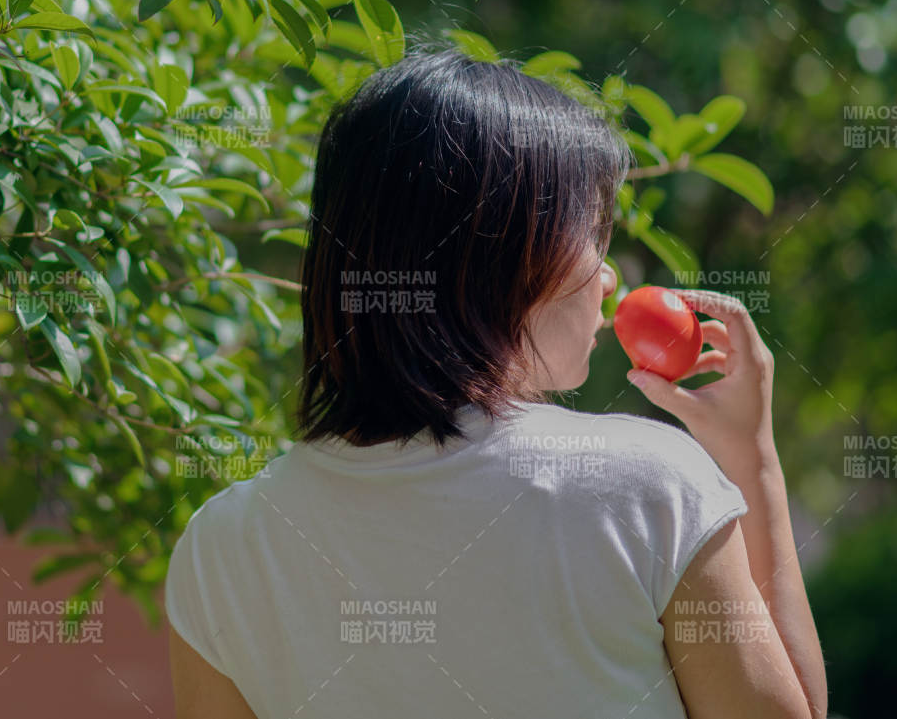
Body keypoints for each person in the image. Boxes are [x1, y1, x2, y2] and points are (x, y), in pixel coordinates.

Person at [166, 48, 826, 719]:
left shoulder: (223, 543)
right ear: (504, 254)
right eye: (591, 237)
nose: (607, 279)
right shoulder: (647, 486)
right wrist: (753, 456)